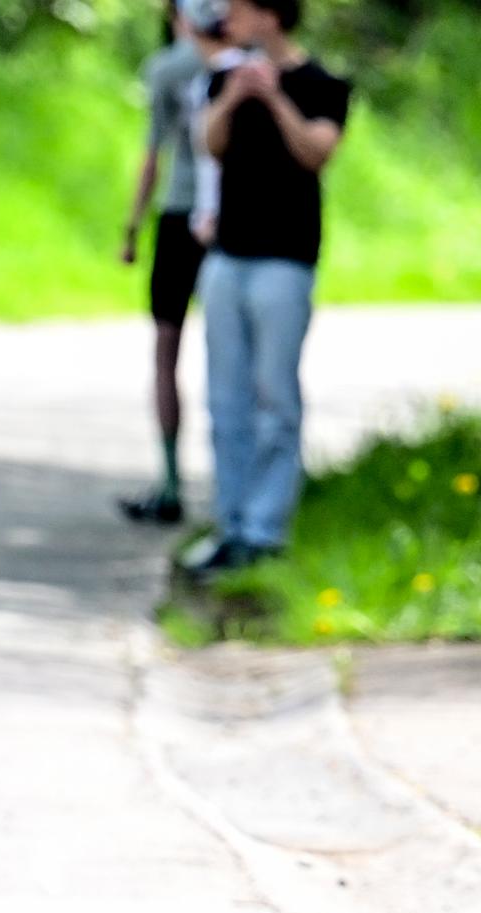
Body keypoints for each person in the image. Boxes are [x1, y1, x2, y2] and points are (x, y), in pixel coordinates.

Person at [189, 0, 349, 572]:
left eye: (238, 7)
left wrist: (275, 98)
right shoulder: (226, 77)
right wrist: (235, 97)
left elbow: (317, 153)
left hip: (285, 261)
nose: (226, 17)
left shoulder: (322, 84)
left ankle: (265, 530)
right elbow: (210, 145)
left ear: (271, 14)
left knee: (274, 397)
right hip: (227, 258)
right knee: (224, 397)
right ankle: (230, 526)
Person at [117, 0, 230, 526]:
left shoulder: (167, 68)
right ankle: (231, 490)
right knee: (231, 353)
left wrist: (133, 226)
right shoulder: (245, 59)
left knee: (167, 349)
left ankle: (170, 481)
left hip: (179, 213)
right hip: (230, 217)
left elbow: (153, 154)